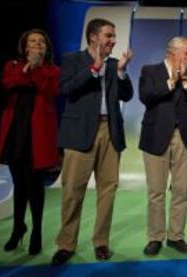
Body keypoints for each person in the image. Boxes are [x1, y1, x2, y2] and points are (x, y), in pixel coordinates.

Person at [51, 18, 134, 265]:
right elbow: (65, 89)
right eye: (109, 35)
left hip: (110, 131)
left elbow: (127, 95)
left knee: (107, 191)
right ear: (94, 37)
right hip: (79, 133)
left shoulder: (113, 65)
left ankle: (101, 242)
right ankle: (66, 244)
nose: (114, 40)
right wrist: (94, 68)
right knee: (72, 192)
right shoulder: (72, 60)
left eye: (114, 36)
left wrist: (120, 71)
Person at [0, 29, 60, 255]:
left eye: (41, 42)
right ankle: (17, 228)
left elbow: (50, 90)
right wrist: (26, 68)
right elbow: (8, 84)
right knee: (19, 185)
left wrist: (36, 69)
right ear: (24, 47)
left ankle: (36, 232)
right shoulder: (13, 65)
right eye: (32, 41)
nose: (37, 44)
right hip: (16, 133)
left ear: (46, 48)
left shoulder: (52, 70)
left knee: (35, 188)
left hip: (38, 136)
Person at [139, 36, 187, 256]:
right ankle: (155, 237)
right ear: (174, 52)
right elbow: (145, 96)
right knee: (156, 192)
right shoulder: (150, 70)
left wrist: (184, 81)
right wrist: (171, 82)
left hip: (183, 137)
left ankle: (176, 236)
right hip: (156, 136)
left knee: (181, 191)